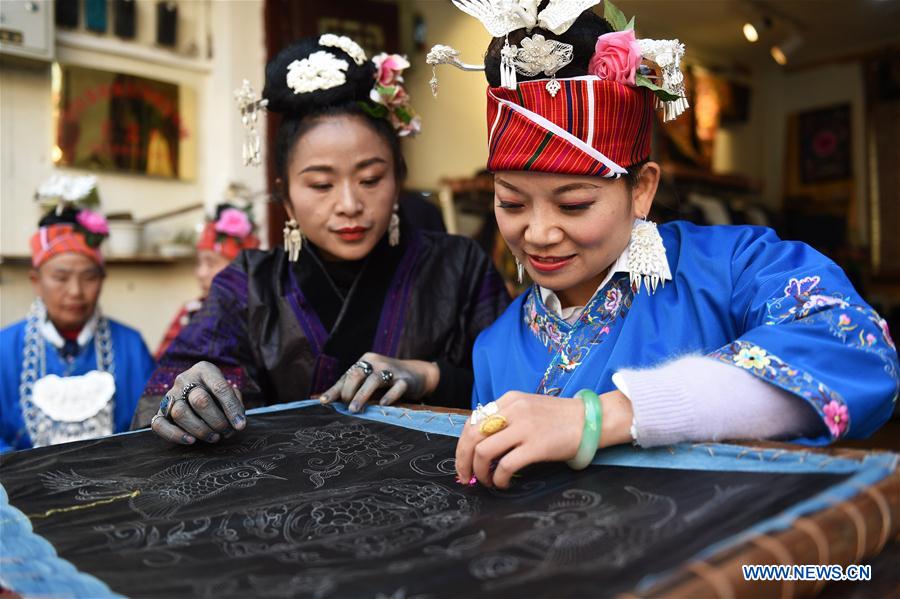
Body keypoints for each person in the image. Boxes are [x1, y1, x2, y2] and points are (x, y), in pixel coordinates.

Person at [440, 1, 899, 488]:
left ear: (641, 190)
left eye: (573, 204)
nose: (538, 233)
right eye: (511, 203)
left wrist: (603, 416)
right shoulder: (495, 346)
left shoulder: (732, 267)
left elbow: (855, 346)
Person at [134, 35, 510, 443]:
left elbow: (519, 394)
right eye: (320, 184)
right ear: (286, 198)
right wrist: (192, 396)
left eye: (370, 179)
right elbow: (161, 404)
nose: (349, 204)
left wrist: (429, 376)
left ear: (398, 179)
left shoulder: (460, 268)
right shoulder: (249, 285)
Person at [0, 187, 155, 451]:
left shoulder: (130, 346)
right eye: (61, 278)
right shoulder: (4, 349)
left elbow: (151, 431)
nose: (75, 291)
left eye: (89, 277)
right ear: (36, 281)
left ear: (102, 280)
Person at [155, 202, 260, 358]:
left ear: (241, 268)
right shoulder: (190, 312)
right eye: (199, 263)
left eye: (211, 263)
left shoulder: (261, 316)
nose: (201, 273)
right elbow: (163, 363)